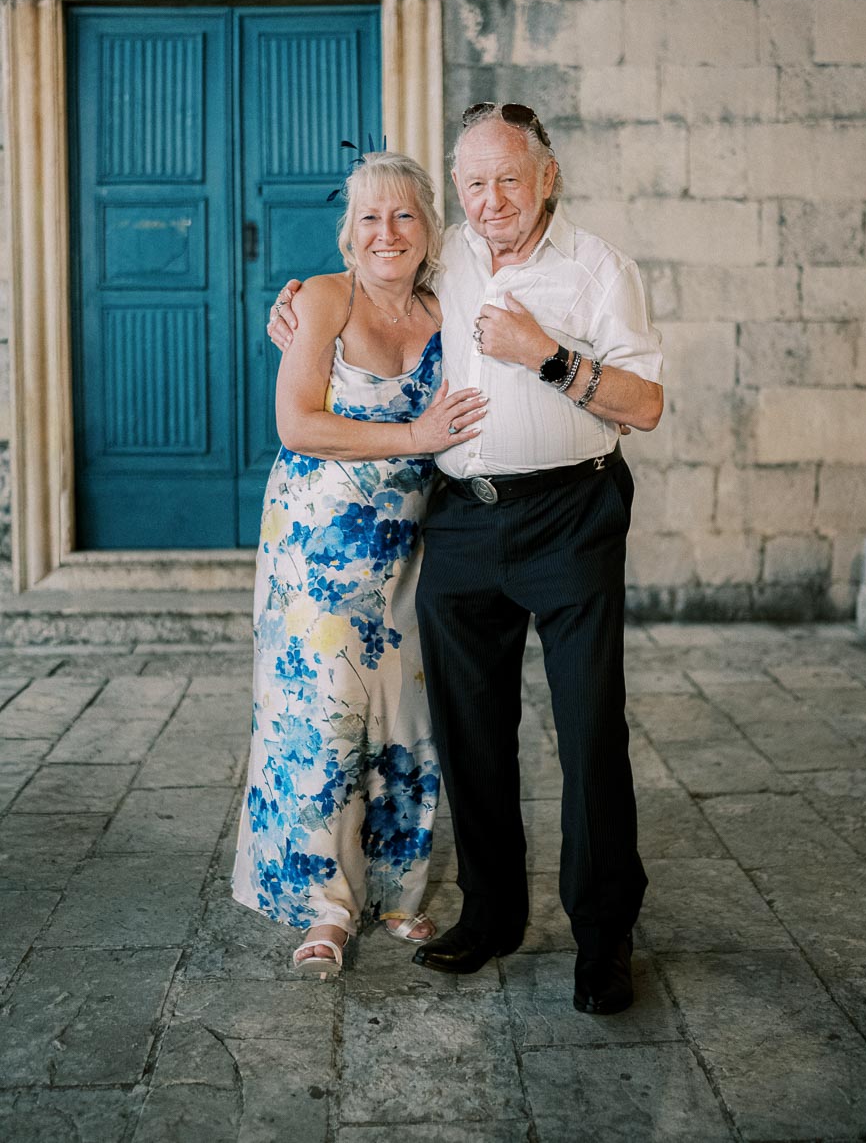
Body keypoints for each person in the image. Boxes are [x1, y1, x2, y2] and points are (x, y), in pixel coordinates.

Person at [268, 104, 663, 1012]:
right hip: (461, 522)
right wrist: (294, 306)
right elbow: (370, 272)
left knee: (590, 730)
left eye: (509, 179)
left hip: (571, 515)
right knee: (471, 732)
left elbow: (644, 405)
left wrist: (547, 355)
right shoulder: (446, 258)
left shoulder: (600, 269)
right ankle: (491, 914)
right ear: (457, 189)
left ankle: (603, 937)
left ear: (547, 179)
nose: (493, 200)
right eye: (475, 183)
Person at [233, 151, 486, 979]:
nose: (387, 231)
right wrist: (415, 435)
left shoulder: (448, 308)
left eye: (404, 214)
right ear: (349, 233)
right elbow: (298, 424)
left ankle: (398, 890)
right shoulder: (321, 299)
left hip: (414, 544)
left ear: (429, 229)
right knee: (325, 717)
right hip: (320, 549)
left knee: (407, 717)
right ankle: (328, 907)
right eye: (370, 217)